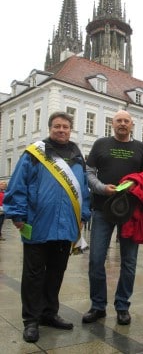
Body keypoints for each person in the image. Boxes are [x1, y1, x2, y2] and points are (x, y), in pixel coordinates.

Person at [3, 111, 91, 343]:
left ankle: (49, 314)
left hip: (65, 226)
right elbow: (18, 183)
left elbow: (82, 188)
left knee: (55, 272)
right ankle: (31, 320)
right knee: (33, 274)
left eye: (65, 127)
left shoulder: (77, 155)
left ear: (70, 130)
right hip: (37, 223)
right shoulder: (35, 152)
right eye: (57, 126)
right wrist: (18, 214)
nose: (61, 130)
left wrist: (83, 214)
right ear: (50, 128)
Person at [82, 109, 143, 326]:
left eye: (126, 121)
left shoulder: (140, 148)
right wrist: (102, 188)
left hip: (131, 214)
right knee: (96, 260)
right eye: (118, 120)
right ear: (112, 124)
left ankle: (122, 306)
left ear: (132, 125)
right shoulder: (100, 144)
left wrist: (134, 184)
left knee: (129, 263)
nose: (122, 124)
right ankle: (98, 306)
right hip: (102, 210)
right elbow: (89, 173)